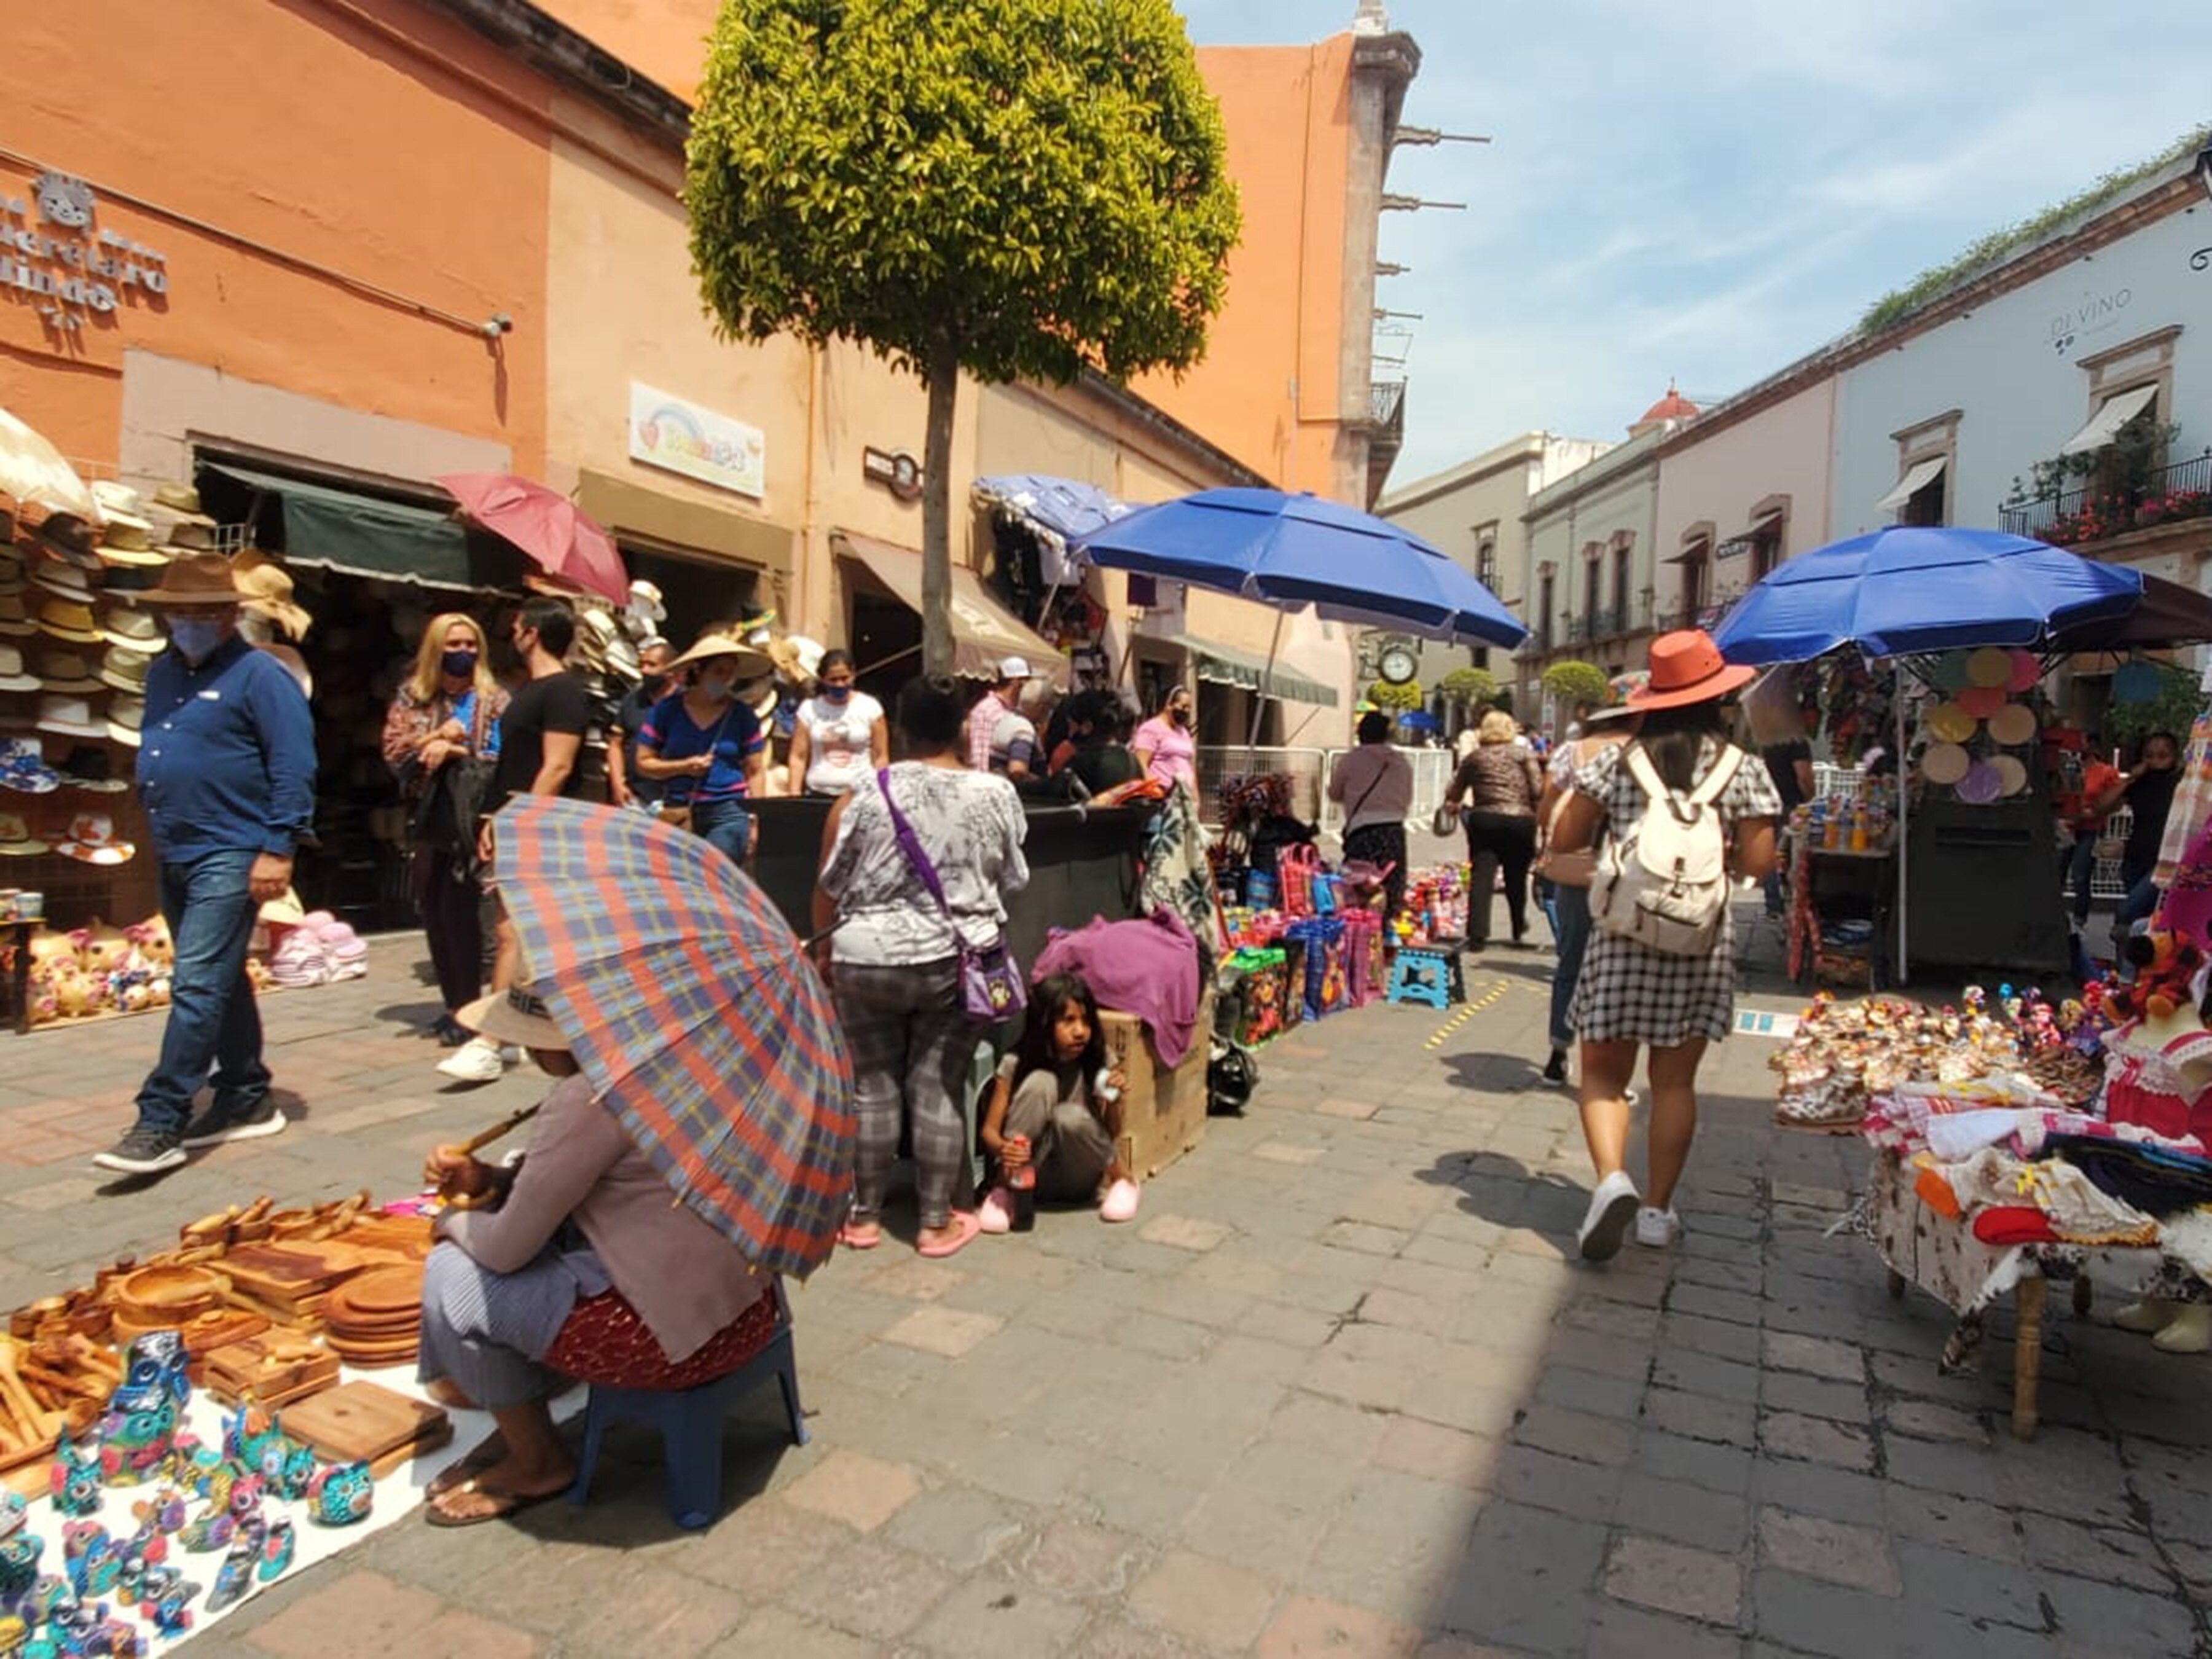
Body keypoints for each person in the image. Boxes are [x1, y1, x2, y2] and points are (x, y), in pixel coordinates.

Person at [416, 984, 773, 1526]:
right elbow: (590, 1184)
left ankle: (537, 1460)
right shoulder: (688, 1058)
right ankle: (517, 1401)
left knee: (450, 1273)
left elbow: (507, 1250)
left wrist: (448, 1221)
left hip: (673, 1344)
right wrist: (491, 1179)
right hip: (750, 1309)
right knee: (535, 1241)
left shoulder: (591, 1097)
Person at [1548, 630, 1781, 1261]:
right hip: (1699, 939)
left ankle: (1610, 1181)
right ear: (1715, 699)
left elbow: (1565, 836)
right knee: (1675, 1083)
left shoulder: (1616, 761)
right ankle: (1657, 1211)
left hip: (1623, 936)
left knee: (1601, 1074)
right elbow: (1761, 862)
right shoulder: (1744, 767)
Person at [95, 552, 315, 1175]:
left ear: (228, 615)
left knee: (194, 982)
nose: (189, 620)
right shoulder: (162, 674)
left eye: (202, 611)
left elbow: (294, 764)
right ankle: (246, 1093)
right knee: (220, 976)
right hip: (177, 847)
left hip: (233, 847)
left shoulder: (261, 676)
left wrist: (279, 846)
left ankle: (161, 1115)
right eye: (179, 611)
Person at [814, 675, 1029, 1260]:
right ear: (961, 727)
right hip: (953, 962)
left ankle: (862, 1218)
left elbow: (828, 882)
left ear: (902, 728)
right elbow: (1012, 880)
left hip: (864, 957)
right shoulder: (994, 794)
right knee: (935, 1087)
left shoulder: (862, 790)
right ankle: (935, 1223)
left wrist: (824, 951)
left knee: (871, 1088)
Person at [440, 597, 589, 1086]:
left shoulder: (563, 691)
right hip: (517, 819)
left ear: (533, 632)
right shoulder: (532, 689)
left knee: (511, 931)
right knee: (515, 930)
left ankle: (492, 1040)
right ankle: (515, 1032)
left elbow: (558, 765)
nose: (512, 633)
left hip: (540, 828)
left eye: (519, 626)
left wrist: (513, 820)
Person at [382, 614, 509, 1046]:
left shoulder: (492, 700)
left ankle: (472, 1009)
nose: (464, 653)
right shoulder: (414, 697)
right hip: (427, 816)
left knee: (464, 916)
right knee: (434, 912)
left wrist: (454, 749)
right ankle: (453, 1004)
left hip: (469, 820)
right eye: (453, 645)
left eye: (471, 644)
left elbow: (501, 760)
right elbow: (394, 750)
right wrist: (434, 737)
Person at [976, 972, 1141, 1231]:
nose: (1080, 1032)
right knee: (1041, 1082)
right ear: (1045, 1024)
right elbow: (989, 1132)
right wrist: (1003, 1149)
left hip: (1080, 1174)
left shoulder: (1098, 1059)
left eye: (1085, 1022)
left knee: (1069, 1116)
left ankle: (1123, 1181)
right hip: (1029, 1176)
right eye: (1068, 1021)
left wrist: (1114, 1098)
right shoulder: (1015, 1064)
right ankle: (1002, 1189)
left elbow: (1112, 1133)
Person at [1534, 704, 1639, 1085]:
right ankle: (1610, 1068)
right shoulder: (1648, 751)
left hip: (1578, 869)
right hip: (1633, 873)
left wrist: (1549, 842)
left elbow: (1548, 807)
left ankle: (1558, 1051)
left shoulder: (1572, 750)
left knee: (1571, 961)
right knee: (1623, 968)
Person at [635, 635, 769, 865]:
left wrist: (755, 820)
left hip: (728, 812)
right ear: (698, 671)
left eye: (730, 673)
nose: (726, 679)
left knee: (715, 879)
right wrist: (684, 767)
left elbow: (755, 770)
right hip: (678, 809)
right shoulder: (666, 711)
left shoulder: (742, 716)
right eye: (719, 671)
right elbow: (643, 763)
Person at [1445, 708, 1545, 949]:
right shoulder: (1524, 754)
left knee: (1482, 874)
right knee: (1516, 874)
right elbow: (1537, 789)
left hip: (1485, 817)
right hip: (1520, 818)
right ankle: (1517, 925)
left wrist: (1453, 801)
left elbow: (1456, 790)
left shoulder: (1476, 758)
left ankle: (1477, 934)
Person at [2096, 731, 2182, 938]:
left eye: (2163, 755)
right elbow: (2102, 806)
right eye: (2149, 756)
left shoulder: (2181, 783)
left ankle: (2127, 965)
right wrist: (2130, 778)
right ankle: (2136, 963)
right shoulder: (2139, 783)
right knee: (2143, 920)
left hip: (2163, 860)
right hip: (2135, 857)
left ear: (2174, 756)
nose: (2155, 761)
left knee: (2127, 911)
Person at [1328, 712, 1414, 917]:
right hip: (1393, 829)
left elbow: (1335, 793)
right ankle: (1388, 929)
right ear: (1386, 735)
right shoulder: (1400, 761)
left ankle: (1361, 930)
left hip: (1362, 830)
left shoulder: (1350, 760)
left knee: (1359, 884)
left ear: (1361, 734)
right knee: (1391, 884)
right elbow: (1407, 797)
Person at [789, 648, 887, 796]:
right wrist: (794, 793)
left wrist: (883, 793)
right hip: (819, 792)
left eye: (844, 678)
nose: (840, 684)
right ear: (823, 679)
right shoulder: (808, 709)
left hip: (860, 793)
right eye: (833, 680)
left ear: (853, 675)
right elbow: (798, 756)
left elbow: (880, 755)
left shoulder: (870, 707)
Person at [2057, 742, 2121, 929]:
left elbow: (2116, 799)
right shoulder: (2065, 770)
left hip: (2090, 828)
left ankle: (2079, 919)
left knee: (2081, 875)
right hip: (2066, 826)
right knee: (2057, 872)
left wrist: (2097, 812)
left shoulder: (2106, 772)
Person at [605, 636, 672, 812]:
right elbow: (616, 744)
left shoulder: (686, 704)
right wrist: (617, 783)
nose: (645, 670)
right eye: (642, 665)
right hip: (634, 797)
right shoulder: (632, 700)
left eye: (652, 665)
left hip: (671, 800)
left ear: (670, 669)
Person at [1062, 692, 1143, 795]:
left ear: (1087, 727)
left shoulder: (1084, 763)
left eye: (1071, 725)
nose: (1070, 734)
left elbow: (1055, 795)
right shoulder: (1132, 761)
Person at [965, 656, 1030, 773]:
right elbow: (979, 756)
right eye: (1025, 682)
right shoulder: (987, 710)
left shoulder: (1012, 711)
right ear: (1016, 682)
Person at [1131, 684, 1198, 794]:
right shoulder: (1151, 729)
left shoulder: (1184, 733)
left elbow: (1190, 766)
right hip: (1163, 797)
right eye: (1183, 706)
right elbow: (1141, 763)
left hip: (1185, 797)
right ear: (1169, 704)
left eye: (1189, 708)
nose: (1187, 711)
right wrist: (1154, 790)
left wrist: (1196, 797)